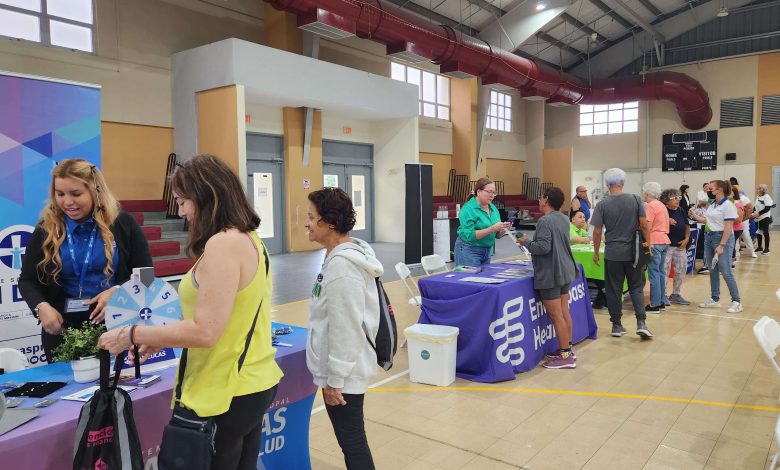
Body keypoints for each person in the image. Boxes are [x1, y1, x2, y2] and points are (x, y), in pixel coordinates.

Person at [98, 155, 282, 470]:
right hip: (251, 383)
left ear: (208, 197)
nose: (181, 211)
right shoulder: (249, 239)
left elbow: (206, 331)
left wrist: (132, 334)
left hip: (223, 390)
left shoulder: (223, 244)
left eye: (184, 202)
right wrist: (161, 337)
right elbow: (222, 317)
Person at [19, 158, 153, 362]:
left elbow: (146, 275)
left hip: (117, 329)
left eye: (76, 194)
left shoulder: (122, 223)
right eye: (60, 194)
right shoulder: (46, 228)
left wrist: (118, 292)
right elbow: (27, 281)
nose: (67, 202)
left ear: (95, 191)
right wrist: (41, 307)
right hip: (62, 333)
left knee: (117, 383)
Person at [304, 187, 382, 469]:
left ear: (329, 222)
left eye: (311, 217)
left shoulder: (342, 267)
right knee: (352, 440)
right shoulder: (339, 256)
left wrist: (335, 379)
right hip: (346, 368)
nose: (307, 223)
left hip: (344, 373)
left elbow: (346, 326)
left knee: (353, 443)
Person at [517, 187, 578, 369]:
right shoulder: (564, 218)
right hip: (565, 269)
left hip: (551, 273)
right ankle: (568, 349)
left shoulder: (545, 221)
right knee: (564, 312)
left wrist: (526, 242)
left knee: (556, 315)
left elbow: (543, 248)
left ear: (546, 199)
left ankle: (566, 356)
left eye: (540, 197)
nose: (538, 200)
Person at [590, 168, 653, 339]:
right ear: (623, 183)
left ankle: (616, 325)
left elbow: (597, 232)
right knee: (636, 287)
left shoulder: (602, 204)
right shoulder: (635, 199)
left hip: (612, 254)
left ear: (607, 184)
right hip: (634, 253)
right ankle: (641, 323)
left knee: (614, 289)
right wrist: (647, 246)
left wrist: (596, 252)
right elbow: (644, 225)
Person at [688, 179, 743, 313]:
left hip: (722, 238)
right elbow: (707, 221)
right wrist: (694, 215)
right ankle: (715, 299)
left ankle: (736, 302)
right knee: (712, 270)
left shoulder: (728, 205)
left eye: (710, 189)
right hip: (709, 237)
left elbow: (728, 227)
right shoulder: (713, 205)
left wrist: (722, 245)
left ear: (719, 190)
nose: (708, 191)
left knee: (726, 271)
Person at [455, 177, 511, 266]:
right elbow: (470, 236)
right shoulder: (468, 209)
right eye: (489, 192)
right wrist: (492, 228)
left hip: (487, 250)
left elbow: (497, 235)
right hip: (469, 249)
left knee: (485, 274)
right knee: (470, 275)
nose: (492, 195)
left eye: (494, 193)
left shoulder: (493, 208)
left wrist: (504, 229)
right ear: (478, 192)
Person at [642, 182, 670, 312]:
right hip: (664, 240)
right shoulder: (661, 205)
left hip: (654, 241)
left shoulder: (650, 206)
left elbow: (647, 227)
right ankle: (662, 301)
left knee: (654, 273)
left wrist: (646, 245)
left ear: (647, 193)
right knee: (661, 272)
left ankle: (654, 304)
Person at [660, 188, 691, 306]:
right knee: (664, 271)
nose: (678, 200)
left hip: (680, 246)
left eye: (679, 197)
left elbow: (687, 225)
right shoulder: (662, 210)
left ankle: (676, 294)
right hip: (666, 246)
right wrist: (666, 220)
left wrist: (686, 239)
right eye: (675, 198)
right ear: (666, 200)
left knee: (681, 269)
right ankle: (663, 295)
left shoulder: (681, 210)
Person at [730, 177, 757, 259]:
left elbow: (750, 207)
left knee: (746, 235)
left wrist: (745, 217)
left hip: (743, 221)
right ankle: (736, 252)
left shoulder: (743, 197)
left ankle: (752, 251)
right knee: (734, 237)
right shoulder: (728, 199)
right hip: (733, 221)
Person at [753, 184, 774, 255]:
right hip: (757, 218)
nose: (757, 190)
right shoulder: (758, 196)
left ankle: (767, 249)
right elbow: (755, 206)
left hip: (765, 217)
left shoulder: (767, 197)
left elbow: (767, 208)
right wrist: (753, 213)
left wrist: (758, 213)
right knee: (758, 232)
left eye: (758, 189)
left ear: (762, 190)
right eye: (757, 189)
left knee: (765, 233)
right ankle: (759, 247)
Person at [731, 186, 745, 266]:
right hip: (731, 227)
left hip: (736, 228)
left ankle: (732, 261)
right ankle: (731, 259)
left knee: (731, 244)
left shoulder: (738, 204)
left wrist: (727, 220)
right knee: (731, 244)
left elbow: (739, 219)